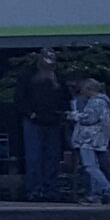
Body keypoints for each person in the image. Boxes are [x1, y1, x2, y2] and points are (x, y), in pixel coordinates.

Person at [16, 50, 70, 202]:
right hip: (33, 122)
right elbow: (19, 98)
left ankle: (50, 190)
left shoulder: (59, 77)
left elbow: (65, 98)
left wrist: (62, 113)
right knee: (34, 157)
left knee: (52, 158)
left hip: (53, 122)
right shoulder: (27, 76)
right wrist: (30, 114)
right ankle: (35, 190)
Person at [71, 78, 110, 205]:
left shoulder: (96, 102)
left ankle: (109, 189)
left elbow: (89, 118)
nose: (82, 93)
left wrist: (74, 115)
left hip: (88, 139)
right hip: (97, 139)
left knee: (90, 166)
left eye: (83, 90)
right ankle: (95, 195)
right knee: (95, 166)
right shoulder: (104, 101)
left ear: (89, 90)